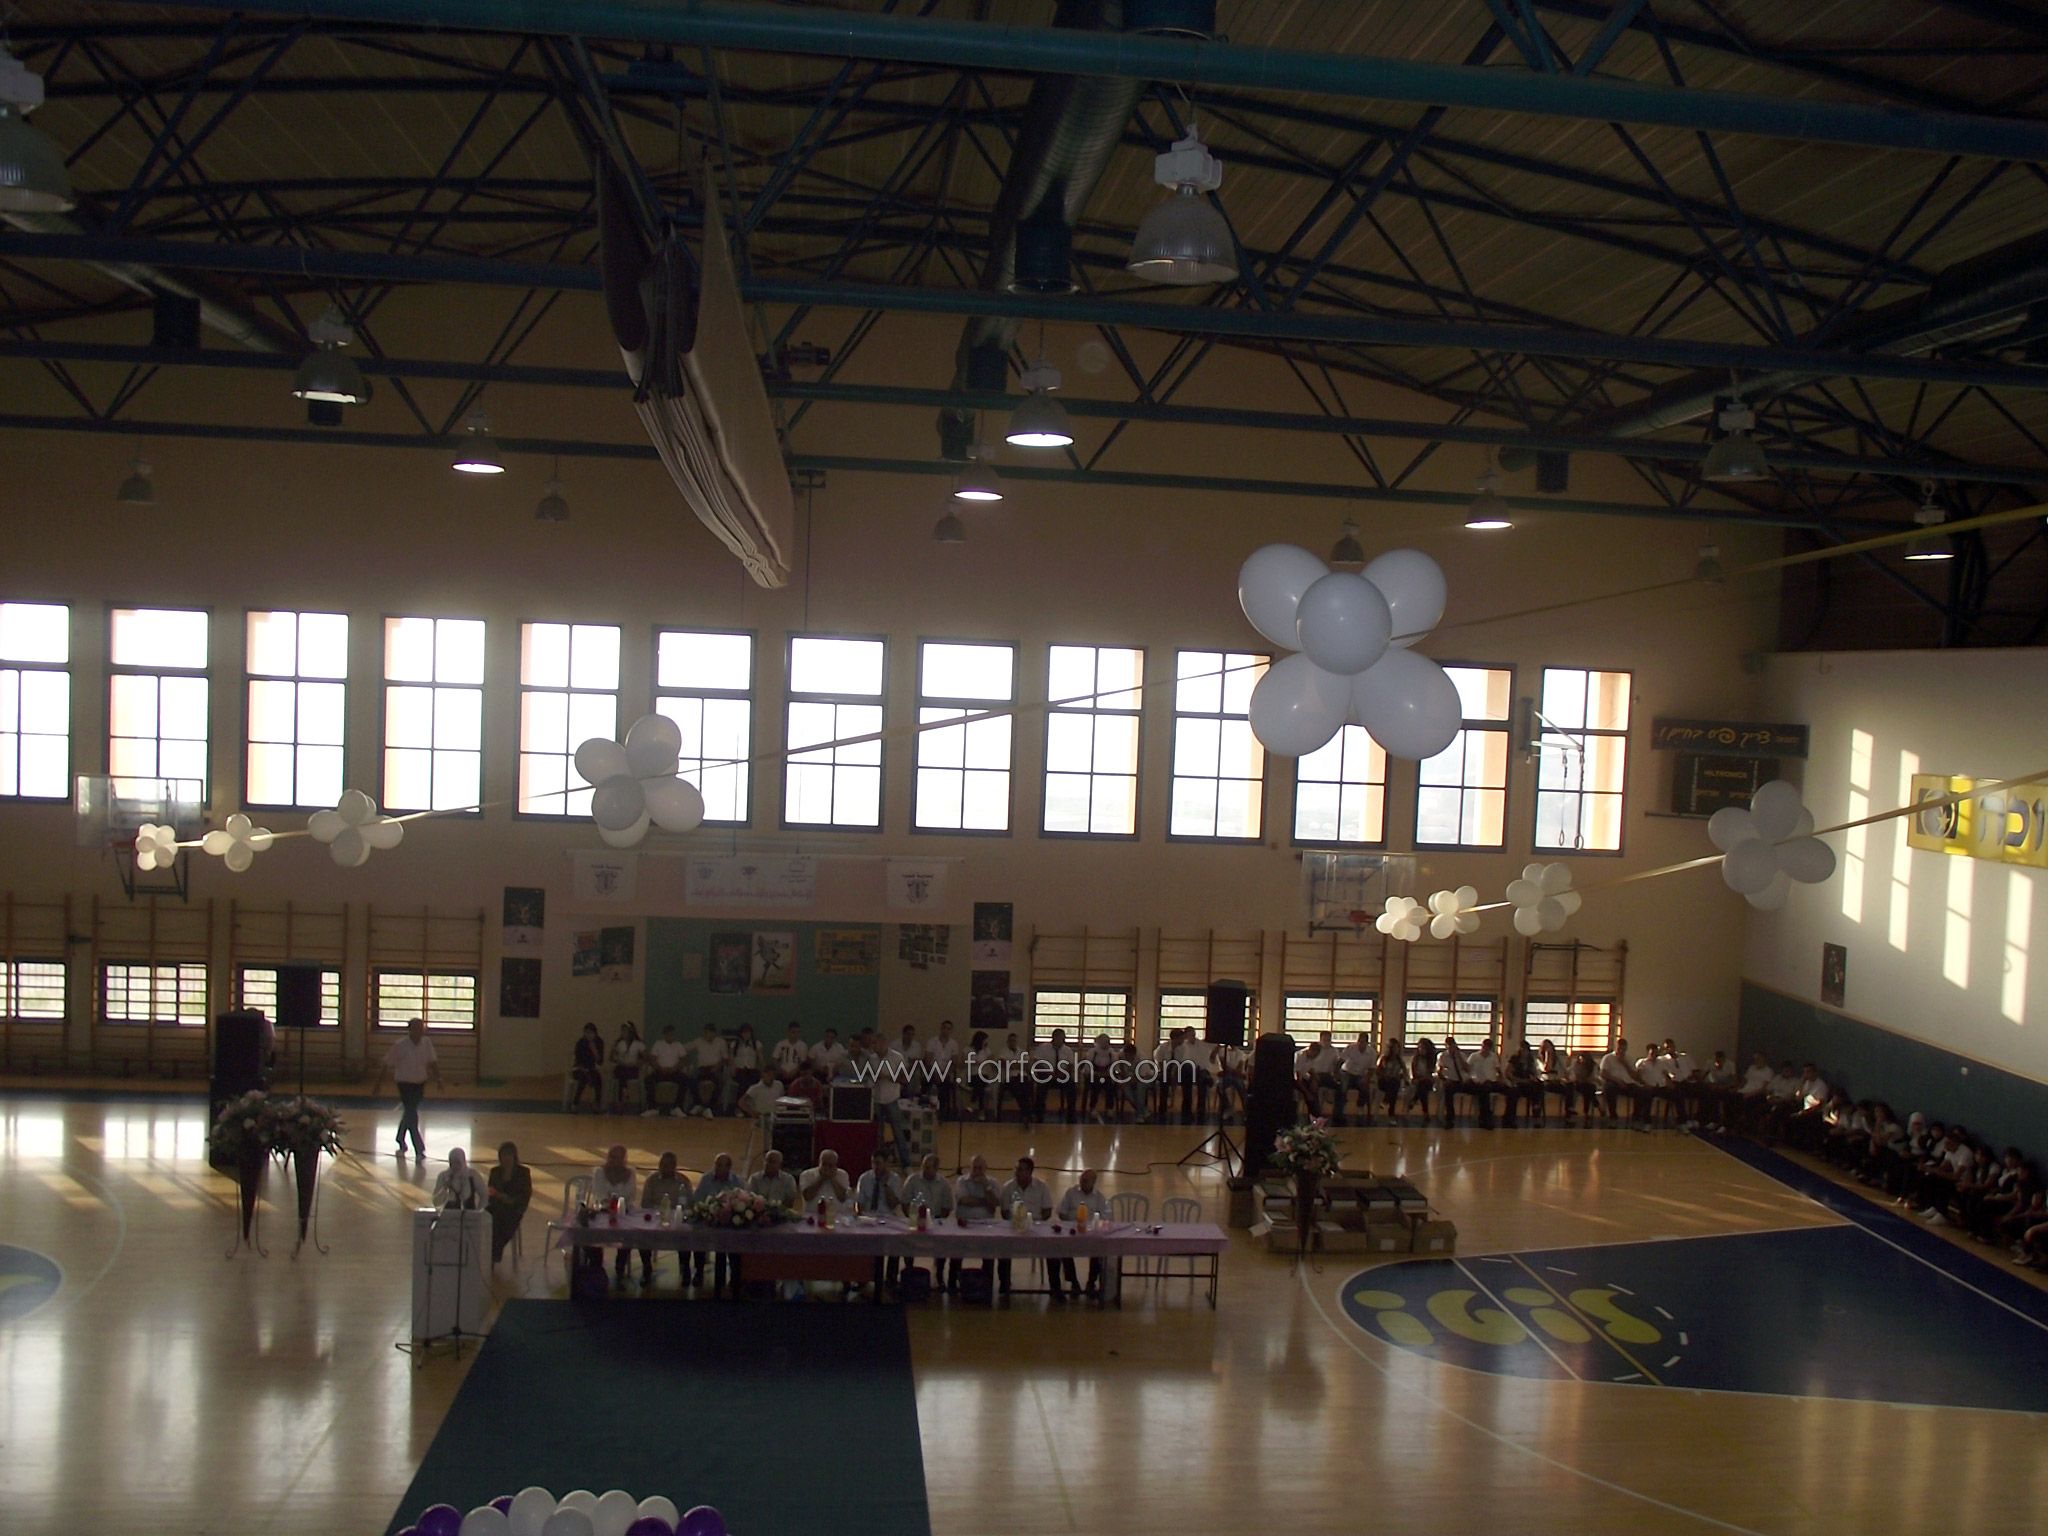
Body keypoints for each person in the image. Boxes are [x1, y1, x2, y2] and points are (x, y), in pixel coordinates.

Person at [374, 1016, 440, 1158]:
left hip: (420, 1083)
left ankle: (400, 1137)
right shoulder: (400, 1045)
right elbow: (386, 1063)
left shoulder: (426, 1043)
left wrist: (439, 1079)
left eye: (421, 1029)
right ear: (410, 1030)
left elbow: (433, 1062)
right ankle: (419, 1148)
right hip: (404, 1084)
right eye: (416, 1029)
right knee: (412, 1114)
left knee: (410, 1112)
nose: (419, 1031)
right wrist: (378, 1084)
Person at [997, 1155, 1054, 1296]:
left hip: (1036, 1228)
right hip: (1014, 1228)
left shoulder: (1042, 1187)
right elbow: (1004, 1212)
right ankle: (1004, 1283)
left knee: (1054, 1249)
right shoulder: (1008, 1187)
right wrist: (1017, 1221)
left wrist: (1033, 1222)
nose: (1017, 1172)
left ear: (1030, 1172)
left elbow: (1047, 1211)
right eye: (1016, 1169)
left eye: (1021, 1169)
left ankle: (1055, 1286)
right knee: (1002, 1247)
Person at [1052, 1168, 1110, 1302]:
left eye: (1086, 1180)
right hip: (1072, 1231)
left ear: (1093, 1182)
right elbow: (1061, 1212)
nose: (1083, 1182)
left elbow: (1106, 1216)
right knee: (1063, 1249)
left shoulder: (1099, 1197)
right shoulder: (1071, 1193)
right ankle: (1073, 1282)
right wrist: (1070, 1223)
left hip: (1091, 1233)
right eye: (1082, 1179)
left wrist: (1094, 1225)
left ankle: (1091, 1282)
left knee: (1099, 1250)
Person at [637, 1151, 692, 1287]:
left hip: (677, 1219)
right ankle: (646, 1268)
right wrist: (659, 1212)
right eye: (662, 1164)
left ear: (674, 1166)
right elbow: (645, 1204)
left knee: (686, 1234)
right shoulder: (651, 1180)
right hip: (656, 1219)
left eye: (668, 1164)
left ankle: (685, 1267)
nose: (665, 1167)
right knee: (642, 1234)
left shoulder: (684, 1181)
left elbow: (689, 1204)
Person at [903, 1152, 957, 1289]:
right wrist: (913, 1218)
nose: (924, 1170)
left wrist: (937, 1222)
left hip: (936, 1220)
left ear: (936, 1168)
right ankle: (909, 1271)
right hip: (915, 1220)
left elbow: (947, 1207)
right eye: (923, 1166)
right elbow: (905, 1203)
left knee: (943, 1242)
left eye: (928, 1167)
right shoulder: (912, 1180)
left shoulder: (943, 1183)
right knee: (905, 1241)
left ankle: (939, 1274)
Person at [693, 1152, 743, 1296]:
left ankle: (735, 1279)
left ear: (729, 1167)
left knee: (735, 1244)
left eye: (721, 1165)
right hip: (709, 1223)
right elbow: (697, 1200)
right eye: (716, 1165)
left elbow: (742, 1201)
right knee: (698, 1236)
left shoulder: (737, 1182)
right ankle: (699, 1272)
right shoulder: (706, 1179)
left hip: (731, 1225)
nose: (717, 1168)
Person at [589, 1144, 638, 1286]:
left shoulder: (631, 1174)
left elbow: (630, 1195)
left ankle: (620, 1267)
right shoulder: (599, 1172)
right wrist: (609, 1205)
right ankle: (597, 1267)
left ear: (624, 1159)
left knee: (629, 1234)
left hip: (624, 1212)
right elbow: (600, 1194)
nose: (614, 1160)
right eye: (612, 1157)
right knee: (592, 1233)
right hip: (603, 1211)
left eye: (618, 1158)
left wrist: (616, 1205)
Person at [954, 1154, 1001, 1296]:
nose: (977, 1171)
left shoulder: (992, 1183)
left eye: (980, 1168)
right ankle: (952, 1282)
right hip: (964, 1224)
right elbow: (965, 1200)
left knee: (989, 1253)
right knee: (955, 1250)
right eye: (975, 1168)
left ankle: (987, 1284)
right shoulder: (961, 1181)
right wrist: (986, 1202)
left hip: (986, 1226)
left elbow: (995, 1203)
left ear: (985, 1169)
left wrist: (986, 1187)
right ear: (970, 1168)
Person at [857, 1150, 905, 1287]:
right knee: (862, 1243)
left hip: (888, 1218)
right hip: (869, 1218)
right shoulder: (864, 1178)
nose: (875, 1167)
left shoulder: (895, 1179)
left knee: (895, 1244)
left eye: (878, 1163)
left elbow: (893, 1204)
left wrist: (885, 1185)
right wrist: (861, 1216)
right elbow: (859, 1203)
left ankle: (891, 1278)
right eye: (873, 1163)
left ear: (886, 1164)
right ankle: (863, 1277)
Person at [485, 1141, 530, 1265]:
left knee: (502, 1223)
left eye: (509, 1155)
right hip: (497, 1207)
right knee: (487, 1218)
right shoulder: (495, 1172)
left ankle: (494, 1253)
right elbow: (491, 1194)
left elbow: (524, 1196)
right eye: (503, 1155)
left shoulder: (523, 1173)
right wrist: (498, 1197)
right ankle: (488, 1252)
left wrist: (506, 1199)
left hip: (514, 1209)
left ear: (514, 1156)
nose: (506, 1158)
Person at [1599, 1036, 1648, 1122]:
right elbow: (1603, 1073)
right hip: (1613, 1082)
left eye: (1623, 1049)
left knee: (1642, 1092)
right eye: (1619, 1049)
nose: (1621, 1051)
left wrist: (1625, 1064)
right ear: (1616, 1047)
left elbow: (1634, 1076)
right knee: (1609, 1088)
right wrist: (1617, 1080)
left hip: (1628, 1083)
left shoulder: (1629, 1059)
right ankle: (1613, 1114)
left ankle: (1636, 1115)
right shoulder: (1608, 1058)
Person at [645, 1025, 689, 1116]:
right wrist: (659, 1068)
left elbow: (684, 1059)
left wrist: (675, 1068)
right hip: (660, 1071)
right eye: (668, 1034)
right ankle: (652, 1108)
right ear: (664, 1035)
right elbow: (652, 1059)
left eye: (671, 1034)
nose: (670, 1036)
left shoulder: (678, 1045)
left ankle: (677, 1107)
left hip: (674, 1071)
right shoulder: (658, 1044)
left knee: (684, 1080)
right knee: (649, 1080)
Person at [687, 1023, 728, 1119]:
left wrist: (717, 1066)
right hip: (702, 1069)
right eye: (704, 1033)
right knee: (692, 1079)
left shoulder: (721, 1042)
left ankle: (709, 1107)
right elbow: (684, 1048)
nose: (705, 1035)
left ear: (713, 1033)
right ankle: (698, 1103)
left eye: (708, 1033)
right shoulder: (698, 1041)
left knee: (719, 1081)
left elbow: (725, 1058)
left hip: (715, 1068)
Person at [926, 1019, 964, 1119]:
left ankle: (943, 1112)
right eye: (944, 1028)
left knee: (945, 1087)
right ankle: (931, 1112)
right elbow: (928, 1059)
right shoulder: (932, 1042)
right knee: (932, 1085)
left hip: (946, 1072)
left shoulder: (954, 1044)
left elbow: (954, 1061)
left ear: (951, 1030)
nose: (946, 1030)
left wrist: (945, 1073)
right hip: (933, 1072)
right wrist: (936, 1072)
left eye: (948, 1029)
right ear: (941, 1029)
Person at [1336, 1031, 1375, 1126]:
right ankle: (1340, 1110)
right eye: (1359, 1041)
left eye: (1363, 1042)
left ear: (1367, 1042)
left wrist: (1366, 1078)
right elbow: (1340, 1061)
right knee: (1343, 1087)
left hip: (1360, 1074)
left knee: (1364, 1087)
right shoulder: (1350, 1048)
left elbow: (1372, 1069)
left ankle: (1360, 1107)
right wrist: (1337, 1073)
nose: (1360, 1044)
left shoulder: (1372, 1053)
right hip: (1347, 1072)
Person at [432, 1146, 487, 1210]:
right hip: (449, 1214)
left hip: (469, 1214)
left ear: (463, 1161)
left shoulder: (473, 1175)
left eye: (458, 1162)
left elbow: (484, 1196)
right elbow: (436, 1203)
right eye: (452, 1163)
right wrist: (444, 1188)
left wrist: (478, 1212)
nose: (455, 1166)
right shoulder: (443, 1176)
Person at [609, 1021, 646, 1114]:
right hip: (621, 1067)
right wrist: (613, 1052)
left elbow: (645, 1057)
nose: (623, 1033)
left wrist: (638, 1063)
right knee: (621, 1071)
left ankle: (622, 1099)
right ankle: (624, 1094)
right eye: (622, 1031)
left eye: (625, 1031)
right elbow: (612, 1058)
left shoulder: (638, 1044)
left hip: (632, 1068)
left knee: (624, 1073)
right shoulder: (619, 1043)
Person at [567, 1023, 604, 1111]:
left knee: (598, 1078)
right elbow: (578, 1060)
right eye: (587, 1032)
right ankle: (575, 1103)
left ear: (595, 1033)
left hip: (591, 1069)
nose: (589, 1035)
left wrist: (594, 1050)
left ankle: (597, 1102)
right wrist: (584, 1069)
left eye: (591, 1033)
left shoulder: (599, 1042)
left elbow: (600, 1062)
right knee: (583, 1077)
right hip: (579, 1069)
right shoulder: (580, 1043)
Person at [728, 1024, 762, 1113]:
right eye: (744, 1032)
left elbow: (760, 1057)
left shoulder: (756, 1044)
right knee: (743, 1081)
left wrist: (762, 1069)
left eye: (748, 1032)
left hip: (752, 1070)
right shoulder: (735, 1044)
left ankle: (748, 1106)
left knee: (751, 1080)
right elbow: (731, 1058)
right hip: (739, 1070)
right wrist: (732, 1068)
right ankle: (739, 1107)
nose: (746, 1035)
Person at [1403, 1037, 1437, 1120]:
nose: (1421, 1049)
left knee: (1424, 1085)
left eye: (1423, 1048)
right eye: (1420, 1047)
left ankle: (1414, 1100)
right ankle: (1425, 1112)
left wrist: (1422, 1078)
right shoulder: (1415, 1059)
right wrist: (1417, 1078)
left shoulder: (1431, 1059)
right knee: (1423, 1090)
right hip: (1418, 1080)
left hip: (1427, 1080)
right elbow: (1414, 1073)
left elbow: (1429, 1073)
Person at [1374, 1039, 1407, 1121]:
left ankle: (1386, 1102)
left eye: (1397, 1048)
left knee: (1394, 1087)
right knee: (1393, 1087)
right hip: (1384, 1081)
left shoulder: (1400, 1060)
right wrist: (1385, 1075)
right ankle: (1391, 1113)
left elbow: (1405, 1071)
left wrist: (1402, 1077)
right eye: (1393, 1048)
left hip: (1394, 1082)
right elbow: (1377, 1071)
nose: (1395, 1050)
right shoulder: (1383, 1058)